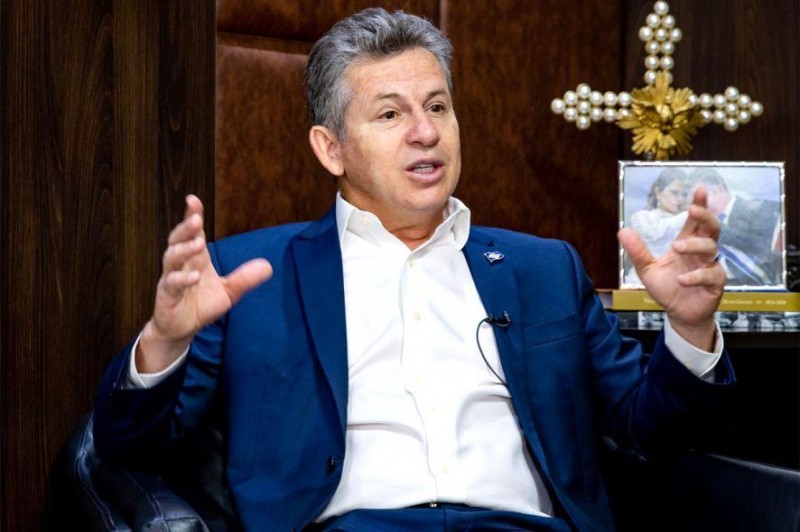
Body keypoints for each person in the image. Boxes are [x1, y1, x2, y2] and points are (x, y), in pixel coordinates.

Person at [93, 8, 733, 531]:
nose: (425, 133)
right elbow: (131, 451)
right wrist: (165, 342)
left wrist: (689, 331)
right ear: (332, 149)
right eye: (390, 114)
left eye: (438, 107)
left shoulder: (544, 269)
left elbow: (650, 434)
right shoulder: (250, 274)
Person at [689, 167, 783, 287]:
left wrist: (718, 230)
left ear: (719, 188)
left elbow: (766, 249)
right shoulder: (700, 229)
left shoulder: (762, 207)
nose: (697, 206)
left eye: (700, 198)